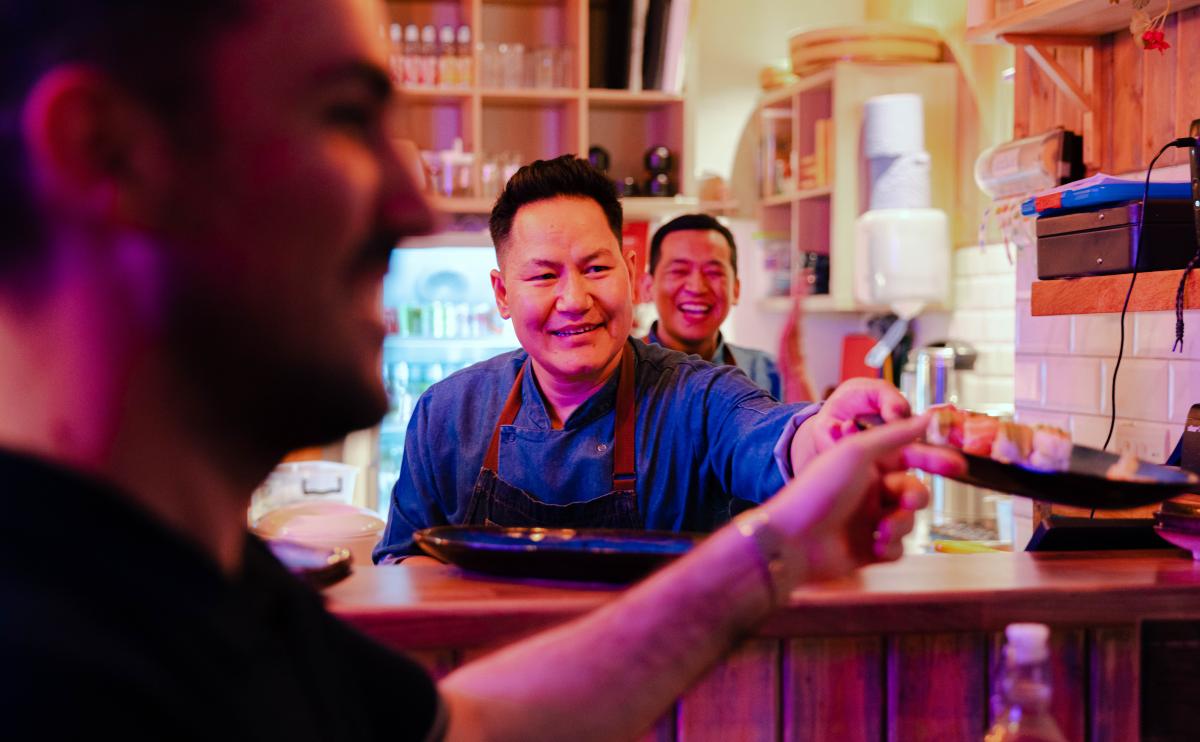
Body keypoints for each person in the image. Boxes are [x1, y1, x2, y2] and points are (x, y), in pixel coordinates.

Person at [0, 0, 963, 739]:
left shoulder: (227, 599)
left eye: (594, 269)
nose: (418, 205)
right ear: (107, 155)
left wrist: (800, 495)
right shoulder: (48, 646)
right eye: (342, 117)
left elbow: (472, 728)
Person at [373, 156, 915, 562]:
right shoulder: (448, 413)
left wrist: (833, 432)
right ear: (502, 293)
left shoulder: (699, 399)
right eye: (543, 275)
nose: (574, 299)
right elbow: (400, 565)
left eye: (596, 269)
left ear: (631, 273)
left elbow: (778, 436)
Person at [641, 213, 782, 398]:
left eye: (713, 272)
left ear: (736, 289)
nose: (697, 287)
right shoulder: (615, 372)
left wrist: (798, 375)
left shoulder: (767, 373)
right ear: (648, 287)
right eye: (679, 271)